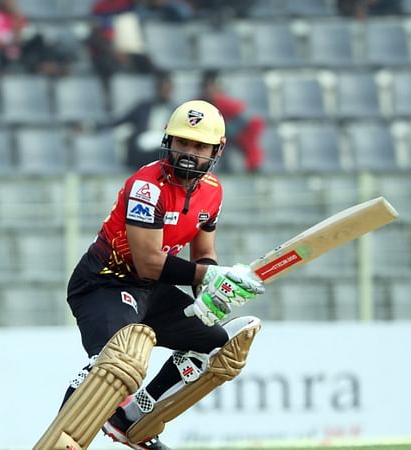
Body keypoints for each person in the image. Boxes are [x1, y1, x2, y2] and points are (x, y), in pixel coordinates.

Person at [34, 100, 264, 450]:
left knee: (218, 350)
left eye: (199, 146)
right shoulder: (147, 186)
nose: (188, 153)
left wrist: (213, 287)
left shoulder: (213, 191)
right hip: (105, 283)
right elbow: (148, 262)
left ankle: (131, 418)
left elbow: (203, 254)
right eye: (181, 142)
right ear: (167, 141)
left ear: (217, 149)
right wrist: (205, 276)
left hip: (152, 291)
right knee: (114, 365)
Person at [107, 71, 177, 170]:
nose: (165, 92)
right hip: (142, 147)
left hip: (162, 146)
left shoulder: (176, 111)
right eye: (163, 89)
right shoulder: (143, 107)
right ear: (157, 88)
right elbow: (121, 120)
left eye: (168, 89)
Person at [199, 70, 265, 173]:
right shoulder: (198, 104)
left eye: (212, 86)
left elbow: (255, 123)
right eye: (207, 87)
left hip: (232, 140)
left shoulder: (227, 104)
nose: (210, 90)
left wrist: (232, 132)